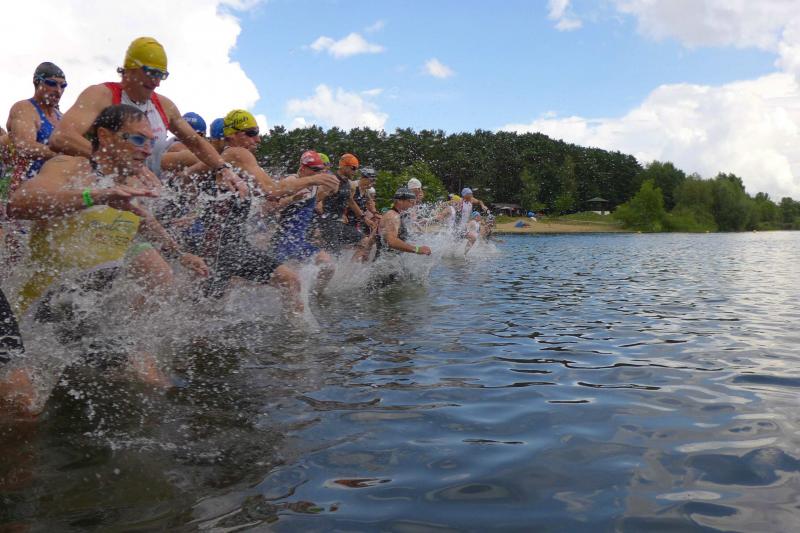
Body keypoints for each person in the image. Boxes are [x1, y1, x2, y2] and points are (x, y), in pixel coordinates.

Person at [49, 36, 245, 195]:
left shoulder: (165, 106)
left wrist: (224, 169)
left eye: (162, 75)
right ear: (130, 68)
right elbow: (60, 137)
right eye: (152, 73)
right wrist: (129, 165)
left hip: (142, 197)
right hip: (100, 190)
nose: (157, 82)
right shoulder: (101, 95)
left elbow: (195, 142)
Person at [192, 110, 338, 308]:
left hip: (217, 246)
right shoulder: (237, 153)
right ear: (232, 134)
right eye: (252, 133)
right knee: (290, 282)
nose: (258, 139)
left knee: (208, 308)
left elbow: (187, 176)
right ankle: (298, 329)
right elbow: (272, 191)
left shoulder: (219, 160)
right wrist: (314, 179)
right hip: (229, 247)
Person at [270, 151, 335, 286]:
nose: (318, 173)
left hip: (299, 241)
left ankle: (315, 294)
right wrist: (292, 199)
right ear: (303, 168)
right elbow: (272, 207)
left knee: (328, 267)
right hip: (282, 241)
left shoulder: (314, 185)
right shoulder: (291, 181)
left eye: (320, 170)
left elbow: (315, 204)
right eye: (315, 170)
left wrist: (329, 190)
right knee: (279, 281)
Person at [5, 62, 67, 188]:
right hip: (22, 189)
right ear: (37, 82)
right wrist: (66, 157)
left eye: (63, 85)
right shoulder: (24, 108)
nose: (58, 90)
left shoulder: (62, 117)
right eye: (52, 83)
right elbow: (25, 146)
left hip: (53, 187)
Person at [315, 153, 372, 260]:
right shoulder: (332, 181)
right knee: (333, 258)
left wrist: (364, 218)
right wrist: (316, 224)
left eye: (356, 169)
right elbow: (315, 200)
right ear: (344, 166)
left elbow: (350, 201)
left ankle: (349, 269)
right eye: (353, 168)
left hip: (339, 224)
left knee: (365, 242)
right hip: (328, 224)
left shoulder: (348, 183)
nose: (355, 171)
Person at [376, 187, 432, 258]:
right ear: (400, 201)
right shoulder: (393, 216)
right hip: (386, 261)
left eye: (414, 202)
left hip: (388, 259)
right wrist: (417, 249)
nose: (413, 204)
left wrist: (365, 251)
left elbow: (374, 235)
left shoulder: (394, 215)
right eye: (411, 201)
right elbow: (391, 241)